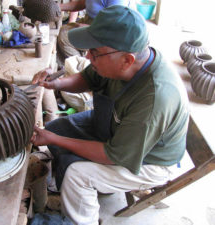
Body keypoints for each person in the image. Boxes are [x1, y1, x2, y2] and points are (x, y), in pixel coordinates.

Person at [31, 5, 189, 225]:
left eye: (94, 52)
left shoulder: (155, 99)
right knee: (56, 128)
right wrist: (55, 83)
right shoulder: (117, 61)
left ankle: (82, 218)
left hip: (149, 160)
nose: (88, 56)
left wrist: (54, 141)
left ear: (127, 60)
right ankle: (85, 188)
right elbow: (88, 78)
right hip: (117, 126)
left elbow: (112, 155)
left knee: (78, 175)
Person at [57, 0, 135, 63]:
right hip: (92, 20)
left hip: (110, 30)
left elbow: (115, 27)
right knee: (64, 30)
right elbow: (84, 2)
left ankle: (84, 67)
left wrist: (90, 28)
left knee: (65, 37)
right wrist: (59, 7)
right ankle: (82, 62)